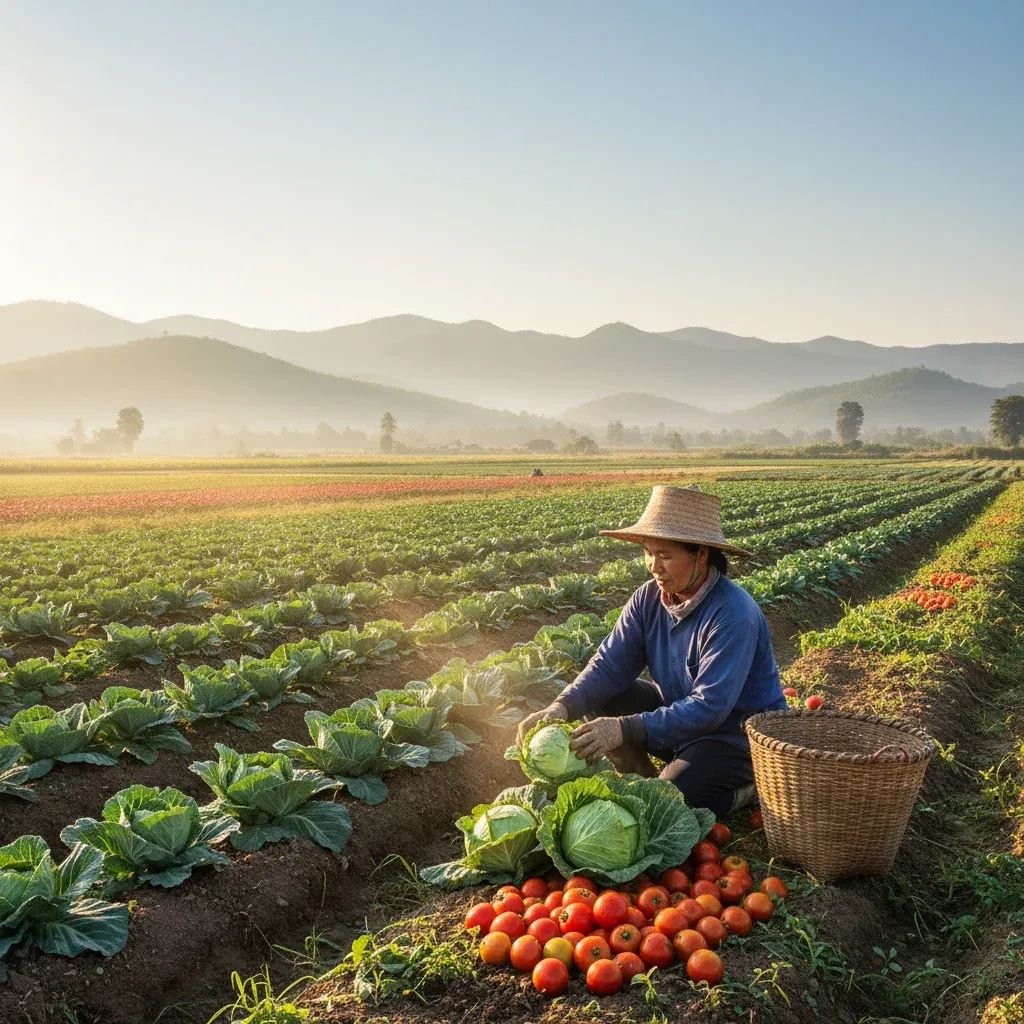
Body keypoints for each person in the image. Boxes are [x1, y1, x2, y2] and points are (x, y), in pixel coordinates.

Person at [516, 485, 786, 816]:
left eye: (665, 555)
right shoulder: (648, 599)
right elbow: (608, 666)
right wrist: (562, 707)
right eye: (647, 552)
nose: (653, 566)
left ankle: (744, 790)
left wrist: (623, 728)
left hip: (736, 736)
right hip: (681, 719)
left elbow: (710, 708)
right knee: (599, 699)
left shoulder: (733, 615)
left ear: (701, 555)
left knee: (677, 796)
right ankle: (641, 783)